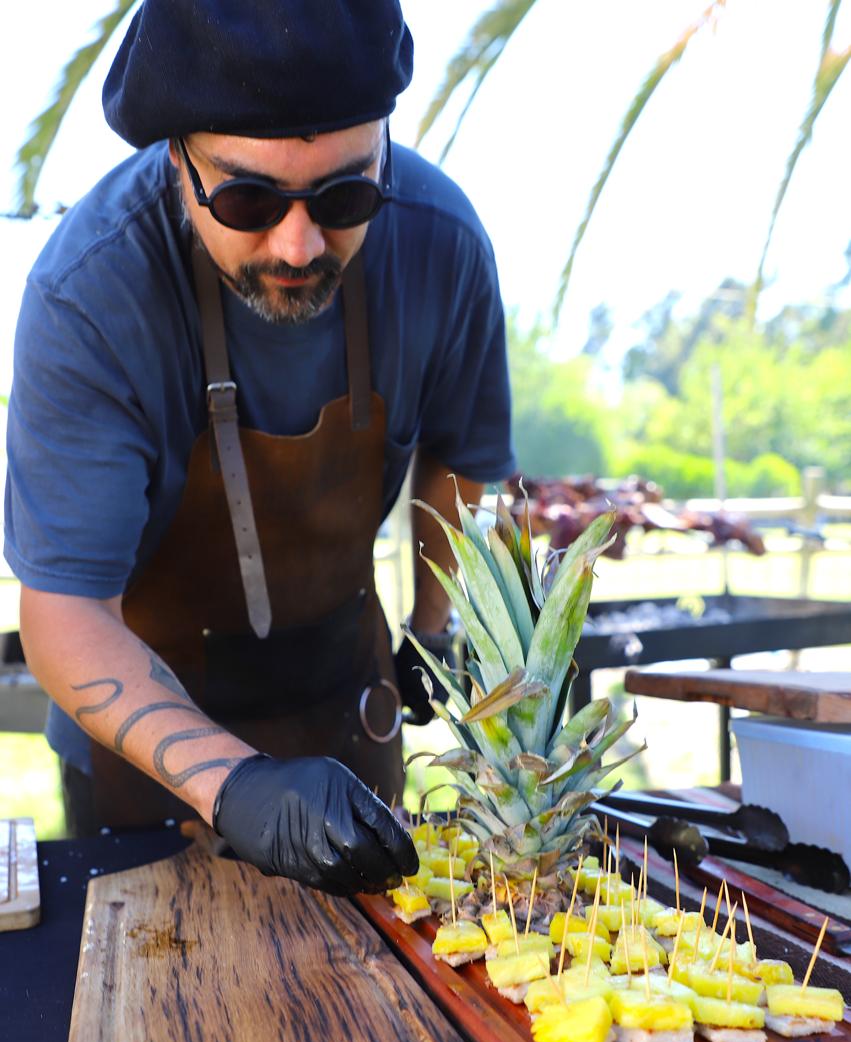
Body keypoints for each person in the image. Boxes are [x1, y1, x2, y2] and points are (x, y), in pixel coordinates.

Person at [4, 0, 515, 895]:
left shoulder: (444, 242)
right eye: (247, 197)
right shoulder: (90, 294)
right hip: (141, 762)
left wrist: (436, 628)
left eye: (346, 193)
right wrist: (232, 785)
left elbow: (463, 455)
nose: (299, 242)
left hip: (348, 713)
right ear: (175, 161)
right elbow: (64, 614)